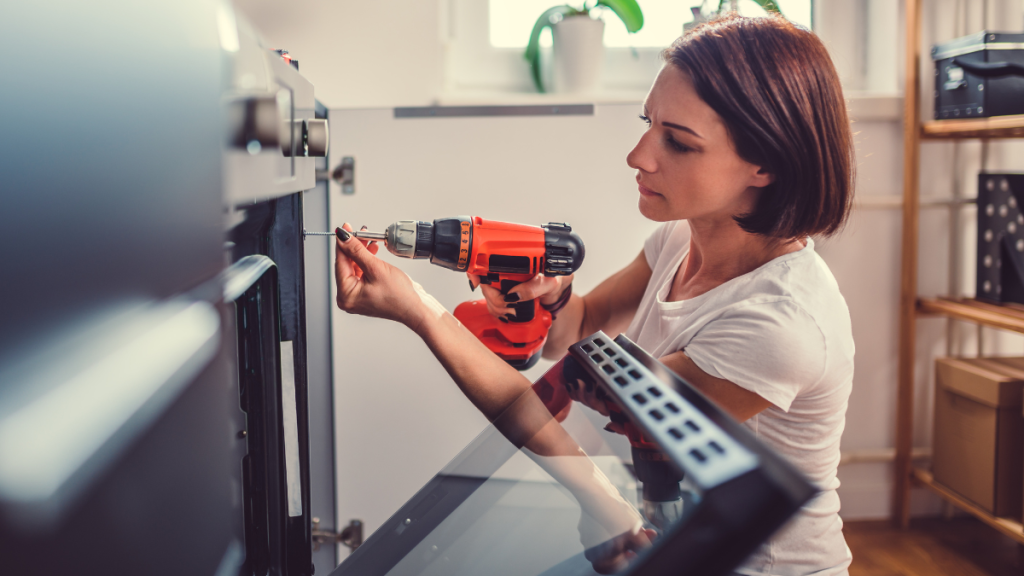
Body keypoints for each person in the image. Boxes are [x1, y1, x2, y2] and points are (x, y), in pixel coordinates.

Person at [333, 13, 855, 576]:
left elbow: (542, 412)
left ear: (765, 165)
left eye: (677, 142)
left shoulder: (777, 323)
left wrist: (417, 309)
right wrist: (551, 297)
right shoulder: (680, 238)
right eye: (648, 122)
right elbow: (573, 332)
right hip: (664, 538)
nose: (638, 155)